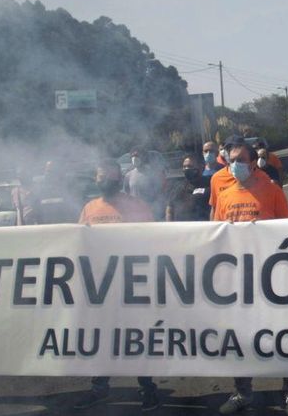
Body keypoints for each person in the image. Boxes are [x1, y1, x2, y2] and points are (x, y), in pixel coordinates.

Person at [212, 141, 288, 415]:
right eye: (231, 159)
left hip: (272, 277)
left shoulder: (272, 191)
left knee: (282, 335)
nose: (234, 164)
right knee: (240, 337)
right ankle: (242, 391)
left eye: (240, 159)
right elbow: (218, 235)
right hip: (238, 279)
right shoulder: (224, 195)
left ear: (252, 163)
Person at [73, 159, 160, 412]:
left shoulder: (137, 206)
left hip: (132, 285)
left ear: (119, 178)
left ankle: (148, 388)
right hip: (100, 288)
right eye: (100, 177)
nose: (104, 181)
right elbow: (79, 242)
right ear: (95, 179)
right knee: (101, 339)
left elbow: (154, 240)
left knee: (136, 339)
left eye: (109, 177)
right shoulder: (89, 207)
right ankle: (99, 388)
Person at [124, 147, 167, 221]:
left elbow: (160, 193)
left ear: (144, 157)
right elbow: (127, 193)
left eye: (137, 155)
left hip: (151, 212)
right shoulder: (128, 175)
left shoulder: (153, 174)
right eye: (132, 156)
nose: (134, 158)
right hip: (135, 213)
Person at [166, 154, 212, 221]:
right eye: (184, 167)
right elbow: (169, 210)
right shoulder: (177, 187)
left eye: (190, 166)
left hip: (203, 227)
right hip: (181, 228)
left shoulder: (210, 184)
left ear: (201, 167)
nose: (187, 169)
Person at [209, 135, 240, 220]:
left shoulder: (257, 176)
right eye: (228, 149)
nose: (231, 152)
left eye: (235, 148)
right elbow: (214, 208)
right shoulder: (216, 178)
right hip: (225, 230)